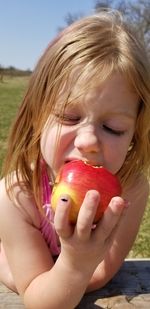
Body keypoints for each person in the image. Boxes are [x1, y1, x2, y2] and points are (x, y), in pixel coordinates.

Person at [0, 9, 150, 309]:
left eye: (113, 128)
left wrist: (73, 267)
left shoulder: (131, 189)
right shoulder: (16, 195)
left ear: (135, 133)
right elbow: (39, 301)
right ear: (36, 117)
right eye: (69, 117)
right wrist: (71, 269)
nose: (88, 141)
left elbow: (102, 272)